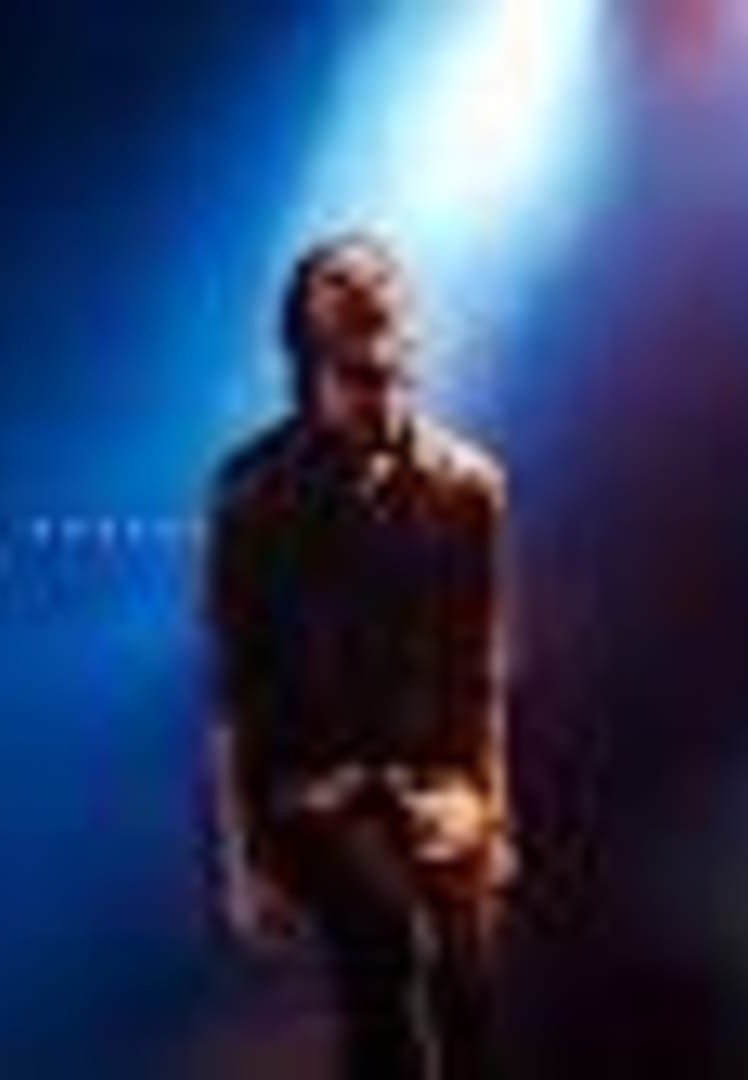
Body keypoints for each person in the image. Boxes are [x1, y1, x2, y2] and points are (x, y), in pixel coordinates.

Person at [202, 233, 514, 1080]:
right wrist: (243, 861)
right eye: (341, 290)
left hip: (435, 787)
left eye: (379, 288)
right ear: (309, 341)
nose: (365, 293)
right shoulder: (254, 489)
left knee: (471, 982)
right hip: (315, 790)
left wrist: (492, 813)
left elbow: (479, 669)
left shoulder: (466, 485)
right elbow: (234, 689)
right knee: (387, 948)